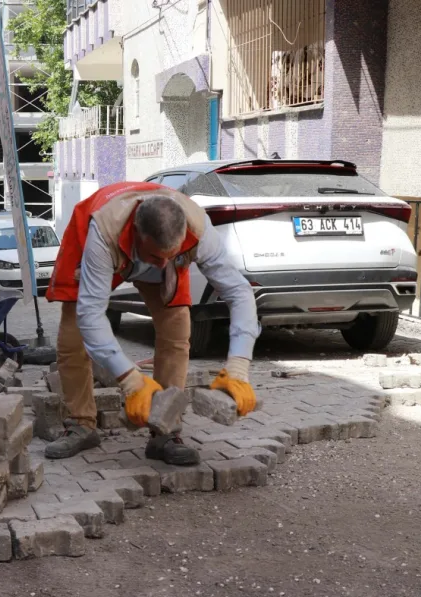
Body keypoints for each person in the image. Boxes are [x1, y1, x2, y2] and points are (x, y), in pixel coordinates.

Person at [44, 182, 260, 465]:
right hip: (101, 242)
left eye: (171, 255)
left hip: (156, 246)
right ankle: (81, 423)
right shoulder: (103, 232)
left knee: (177, 329)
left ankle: (165, 432)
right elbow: (91, 315)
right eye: (155, 257)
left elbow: (239, 293)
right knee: (73, 335)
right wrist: (130, 380)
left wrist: (239, 365)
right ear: (137, 232)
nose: (162, 265)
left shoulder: (198, 229)